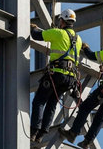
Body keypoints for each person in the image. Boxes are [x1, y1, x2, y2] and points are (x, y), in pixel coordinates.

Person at [30, 9, 82, 144]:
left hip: (57, 73)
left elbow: (37, 35)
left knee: (39, 101)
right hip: (69, 79)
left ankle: (34, 130)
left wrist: (33, 27)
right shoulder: (78, 39)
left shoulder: (58, 33)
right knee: (52, 103)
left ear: (62, 21)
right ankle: (42, 133)